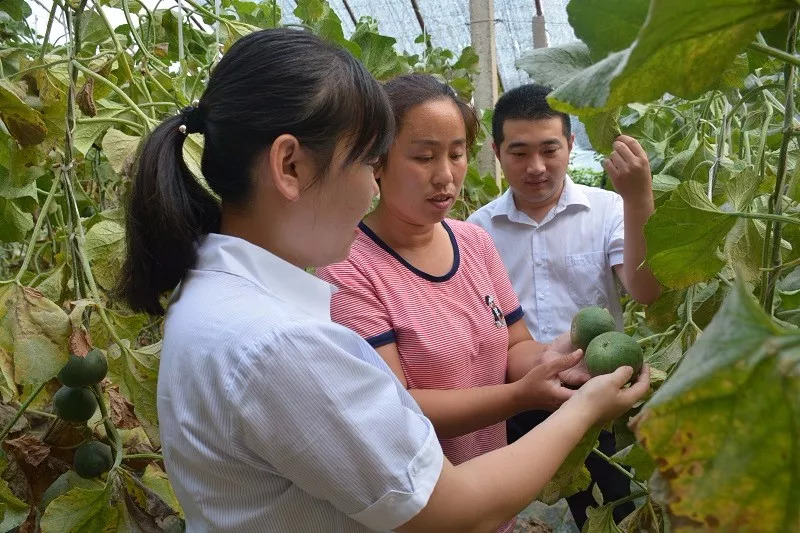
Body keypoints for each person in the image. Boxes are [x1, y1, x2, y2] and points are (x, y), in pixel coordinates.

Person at [117, 31, 649, 532]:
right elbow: (453, 511)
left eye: (457, 153)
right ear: (290, 166)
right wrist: (584, 408)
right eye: (368, 162)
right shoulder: (282, 344)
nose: (371, 187)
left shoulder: (219, 297)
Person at [316, 74, 623, 533]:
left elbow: (514, 345)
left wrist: (557, 358)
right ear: (376, 160)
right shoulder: (348, 269)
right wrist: (520, 396)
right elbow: (399, 406)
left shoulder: (474, 241)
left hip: (490, 499)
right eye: (423, 157)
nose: (446, 175)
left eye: (457, 154)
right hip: (421, 509)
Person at [467, 83, 661, 527]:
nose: (536, 167)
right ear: (497, 152)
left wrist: (637, 196)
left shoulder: (610, 209)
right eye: (518, 152)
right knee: (490, 515)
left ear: (571, 146)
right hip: (512, 398)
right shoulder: (475, 231)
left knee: (616, 512)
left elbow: (646, 290)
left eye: (550, 149)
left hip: (594, 394)